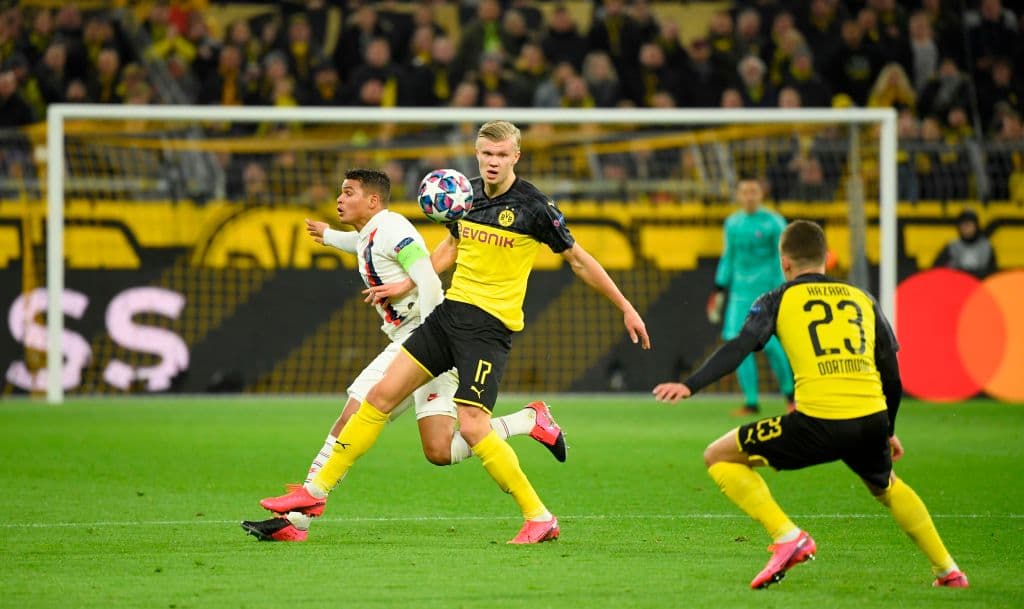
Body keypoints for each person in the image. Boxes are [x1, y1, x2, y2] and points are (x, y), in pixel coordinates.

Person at [261, 121, 651, 544]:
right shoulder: (463, 195)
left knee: (471, 426)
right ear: (477, 154)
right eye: (486, 154)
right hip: (447, 317)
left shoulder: (534, 207)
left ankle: (539, 517)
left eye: (501, 155)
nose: (493, 162)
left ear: (516, 156)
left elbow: (578, 260)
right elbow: (451, 247)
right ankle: (314, 493)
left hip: (488, 330)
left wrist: (626, 306)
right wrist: (410, 281)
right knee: (379, 397)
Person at [242, 168, 567, 542]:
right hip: (412, 337)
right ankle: (528, 420)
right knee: (440, 451)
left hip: (423, 337)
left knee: (355, 413)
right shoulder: (371, 233)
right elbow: (361, 244)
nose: (340, 198)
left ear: (373, 200)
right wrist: (330, 237)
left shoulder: (394, 229)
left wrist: (435, 342)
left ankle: (299, 516)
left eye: (348, 192)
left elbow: (428, 277)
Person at [653, 220, 968, 590]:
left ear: (784, 263)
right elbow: (893, 377)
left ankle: (787, 536)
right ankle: (949, 570)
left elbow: (741, 347)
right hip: (871, 420)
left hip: (819, 422)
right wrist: (889, 430)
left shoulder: (777, 298)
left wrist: (690, 385)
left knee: (718, 456)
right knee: (886, 485)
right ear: (826, 259)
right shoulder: (863, 299)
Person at [707, 178, 794, 416]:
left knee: (773, 347)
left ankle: (791, 396)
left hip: (767, 293)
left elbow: (782, 259)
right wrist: (719, 287)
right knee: (739, 346)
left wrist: (782, 290)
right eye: (744, 192)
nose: (749, 196)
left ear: (761, 193)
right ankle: (751, 401)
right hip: (738, 296)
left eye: (753, 191)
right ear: (738, 195)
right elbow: (729, 257)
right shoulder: (732, 223)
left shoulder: (774, 222)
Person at [932, 209, 998, 279]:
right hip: (956, 285)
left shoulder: (986, 247)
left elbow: (993, 273)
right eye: (963, 225)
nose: (966, 228)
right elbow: (936, 268)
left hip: (979, 285)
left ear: (976, 226)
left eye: (969, 225)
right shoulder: (952, 246)